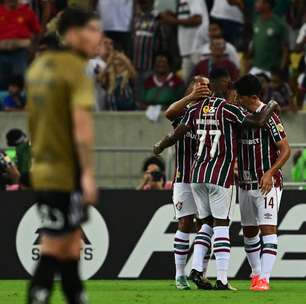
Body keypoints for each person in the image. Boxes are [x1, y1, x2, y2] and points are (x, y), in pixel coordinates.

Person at [153, 83, 279, 291]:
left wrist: (159, 146)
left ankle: (195, 268)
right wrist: (272, 104)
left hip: (196, 175)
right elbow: (258, 121)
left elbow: (177, 134)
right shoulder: (228, 109)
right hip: (220, 176)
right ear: (226, 93)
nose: (237, 98)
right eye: (234, 94)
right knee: (221, 226)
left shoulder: (194, 110)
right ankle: (222, 279)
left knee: (206, 224)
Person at [26, 7, 101, 304]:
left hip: (42, 168)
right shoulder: (74, 68)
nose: (98, 37)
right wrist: (87, 174)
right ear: (72, 33)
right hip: (65, 171)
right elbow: (81, 129)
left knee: (71, 249)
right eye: (92, 30)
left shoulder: (37, 68)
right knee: (54, 248)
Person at [235, 75, 290, 291]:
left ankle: (264, 279)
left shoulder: (270, 117)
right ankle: (256, 273)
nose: (237, 99)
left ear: (253, 96)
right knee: (249, 231)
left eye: (240, 96)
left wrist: (269, 172)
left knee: (268, 228)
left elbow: (285, 150)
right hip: (245, 183)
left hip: (268, 183)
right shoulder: (240, 115)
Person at [161, 77, 212, 290]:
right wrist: (191, 97)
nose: (203, 89)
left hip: (207, 177)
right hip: (184, 177)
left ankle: (200, 272)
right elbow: (168, 113)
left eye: (206, 86)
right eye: (198, 86)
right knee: (185, 223)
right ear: (190, 89)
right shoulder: (184, 113)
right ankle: (180, 275)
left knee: (207, 224)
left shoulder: (213, 113)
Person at [160, 0, 209, 82]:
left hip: (198, 48)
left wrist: (173, 21)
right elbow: (186, 15)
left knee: (204, 82)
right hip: (187, 50)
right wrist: (174, 15)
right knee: (186, 84)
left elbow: (197, 19)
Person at [0, 0, 41, 90]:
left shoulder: (27, 11)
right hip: (1, 54)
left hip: (20, 54)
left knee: (20, 84)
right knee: (1, 85)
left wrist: (33, 49)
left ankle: (21, 102)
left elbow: (37, 32)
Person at [249, 0, 289, 75]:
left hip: (271, 70)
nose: (255, 4)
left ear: (267, 5)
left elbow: (285, 50)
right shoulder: (256, 20)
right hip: (256, 67)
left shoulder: (279, 24)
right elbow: (254, 44)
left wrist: (281, 70)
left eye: (258, 2)